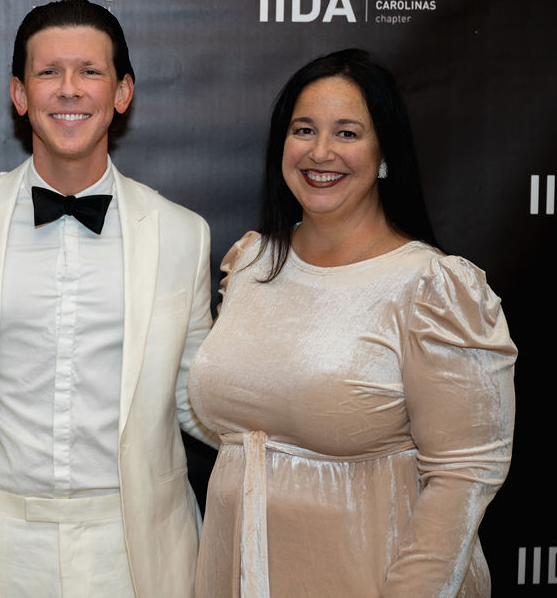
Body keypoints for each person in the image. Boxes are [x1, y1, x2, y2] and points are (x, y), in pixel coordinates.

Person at [188, 48, 516, 597]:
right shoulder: (250, 263)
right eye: (304, 130)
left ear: (384, 152)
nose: (321, 152)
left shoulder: (432, 287)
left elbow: (464, 476)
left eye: (347, 133)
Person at [0, 0, 215, 597]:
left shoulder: (182, 234)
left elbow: (199, 399)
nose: (69, 89)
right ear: (19, 94)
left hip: (138, 545)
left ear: (122, 92)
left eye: (90, 71)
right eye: (48, 72)